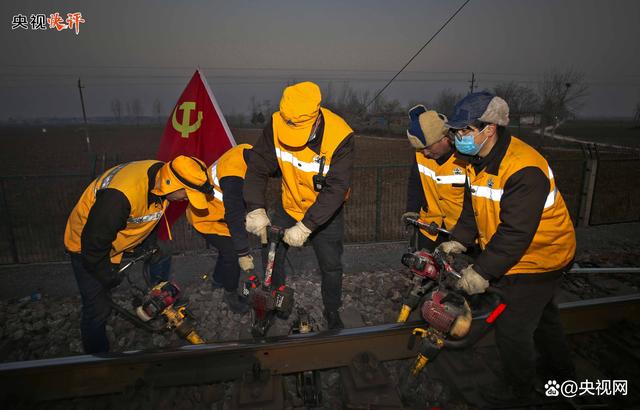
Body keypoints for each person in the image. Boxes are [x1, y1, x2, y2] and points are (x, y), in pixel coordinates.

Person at [438, 91, 576, 404]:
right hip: (521, 254)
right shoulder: (478, 160)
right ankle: (562, 374)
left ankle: (520, 392)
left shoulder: (524, 169)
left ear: (489, 129)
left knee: (512, 330)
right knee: (543, 319)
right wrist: (459, 239)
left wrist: (482, 271)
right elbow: (473, 210)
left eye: (464, 131)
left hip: (541, 257)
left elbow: (516, 233)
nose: (458, 137)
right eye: (456, 131)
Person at [64, 156, 214, 353]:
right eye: (186, 194)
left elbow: (151, 213)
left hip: (116, 236)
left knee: (163, 253)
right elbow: (93, 244)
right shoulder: (119, 197)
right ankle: (98, 360)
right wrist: (106, 275)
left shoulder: (160, 177)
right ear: (171, 184)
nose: (186, 200)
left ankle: (157, 298)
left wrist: (149, 245)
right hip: (86, 247)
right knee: (98, 308)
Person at [243, 81, 354, 330]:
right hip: (288, 204)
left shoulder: (341, 137)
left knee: (332, 265)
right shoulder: (275, 124)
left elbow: (336, 189)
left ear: (315, 118)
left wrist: (306, 227)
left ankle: (332, 310)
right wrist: (255, 208)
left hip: (326, 213)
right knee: (271, 255)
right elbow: (258, 166)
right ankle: (273, 303)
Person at [185, 144, 254, 314]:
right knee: (233, 251)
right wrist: (243, 251)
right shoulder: (233, 177)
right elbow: (234, 215)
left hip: (218, 215)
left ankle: (217, 280)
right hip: (205, 217)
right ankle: (230, 295)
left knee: (227, 249)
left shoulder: (246, 150)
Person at [402, 105, 466, 251]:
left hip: (460, 232)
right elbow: (415, 185)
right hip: (429, 228)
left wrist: (466, 230)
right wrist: (412, 211)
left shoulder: (465, 160)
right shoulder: (421, 155)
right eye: (421, 148)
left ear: (444, 138)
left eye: (428, 147)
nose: (424, 152)